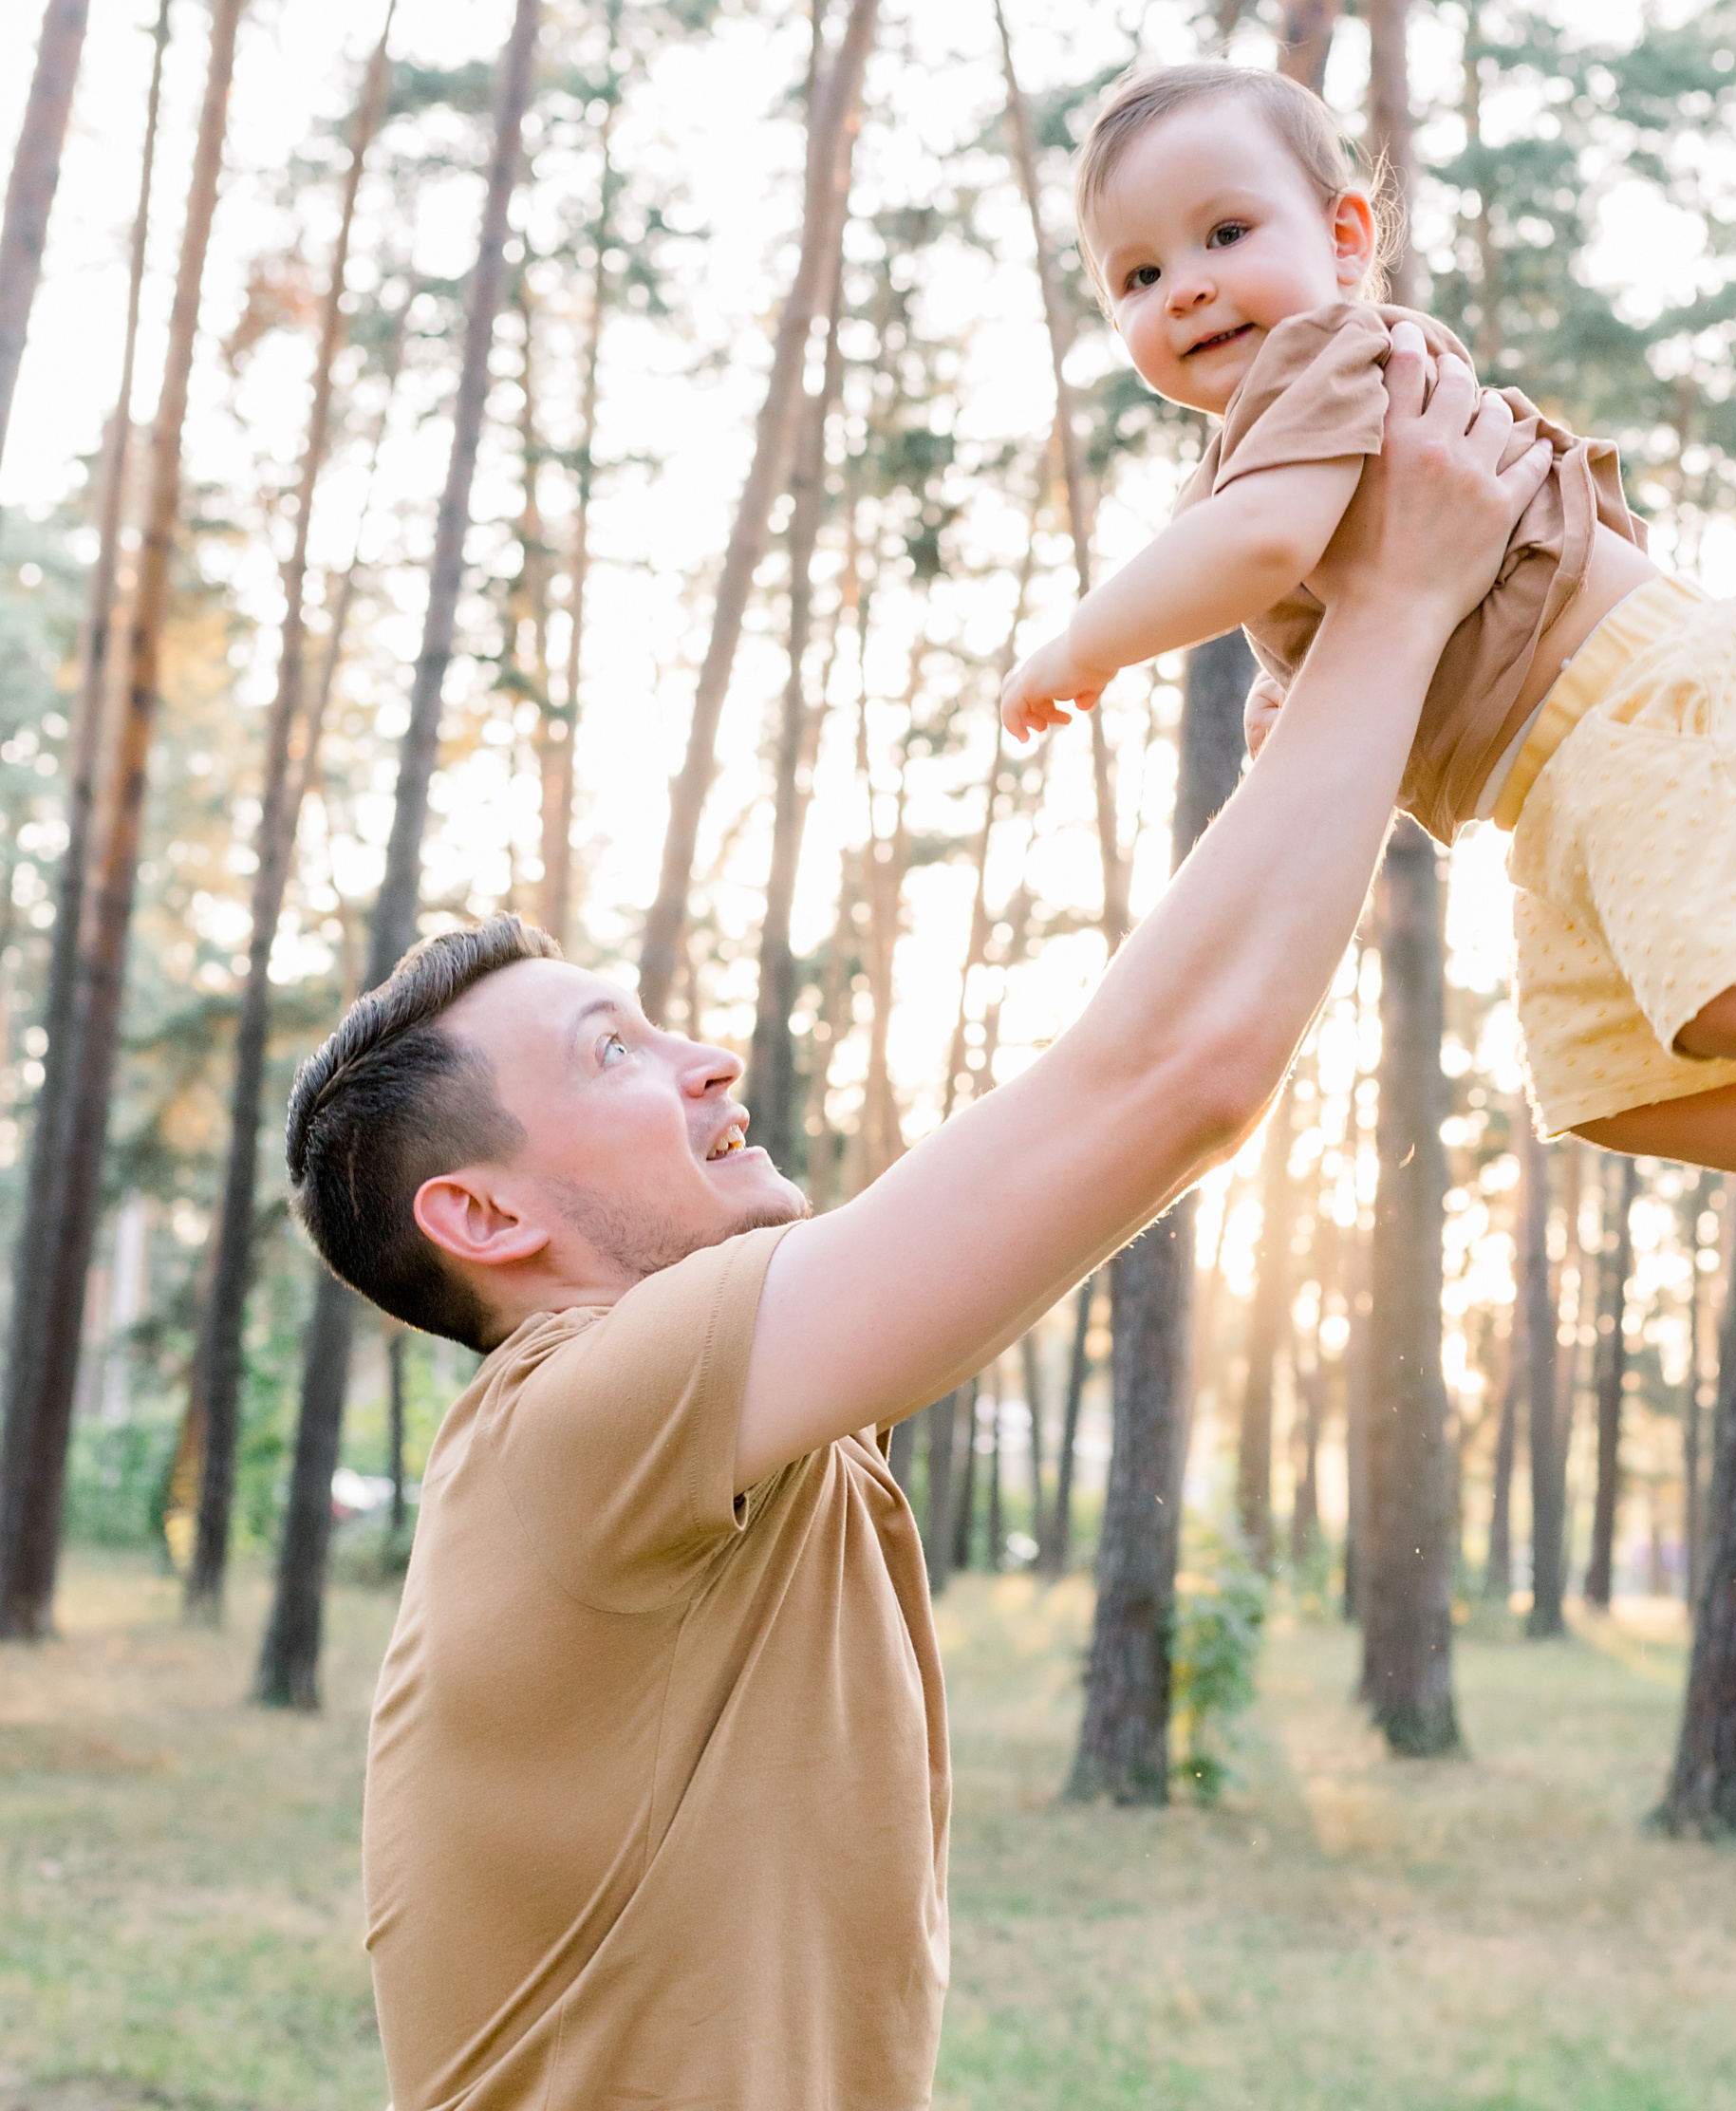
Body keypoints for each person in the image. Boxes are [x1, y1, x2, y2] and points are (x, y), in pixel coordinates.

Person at [288, 346, 1548, 2110]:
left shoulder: (729, 1444)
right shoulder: (582, 1421)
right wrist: (1402, 606)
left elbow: (1176, 1063)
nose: (706, 1055)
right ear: (480, 1211)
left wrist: (1338, 706)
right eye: (614, 1052)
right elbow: (1163, 1085)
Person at [1000, 61, 1736, 1347]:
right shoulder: (1265, 430)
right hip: (1555, 789)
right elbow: (1338, 587)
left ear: (1345, 240)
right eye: (1139, 276)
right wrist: (1297, 700)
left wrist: (1081, 643)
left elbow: (1265, 546)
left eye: (1225, 233)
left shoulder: (1326, 353)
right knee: (1610, 1080)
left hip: (1636, 703)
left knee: (1730, 995)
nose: (1190, 287)